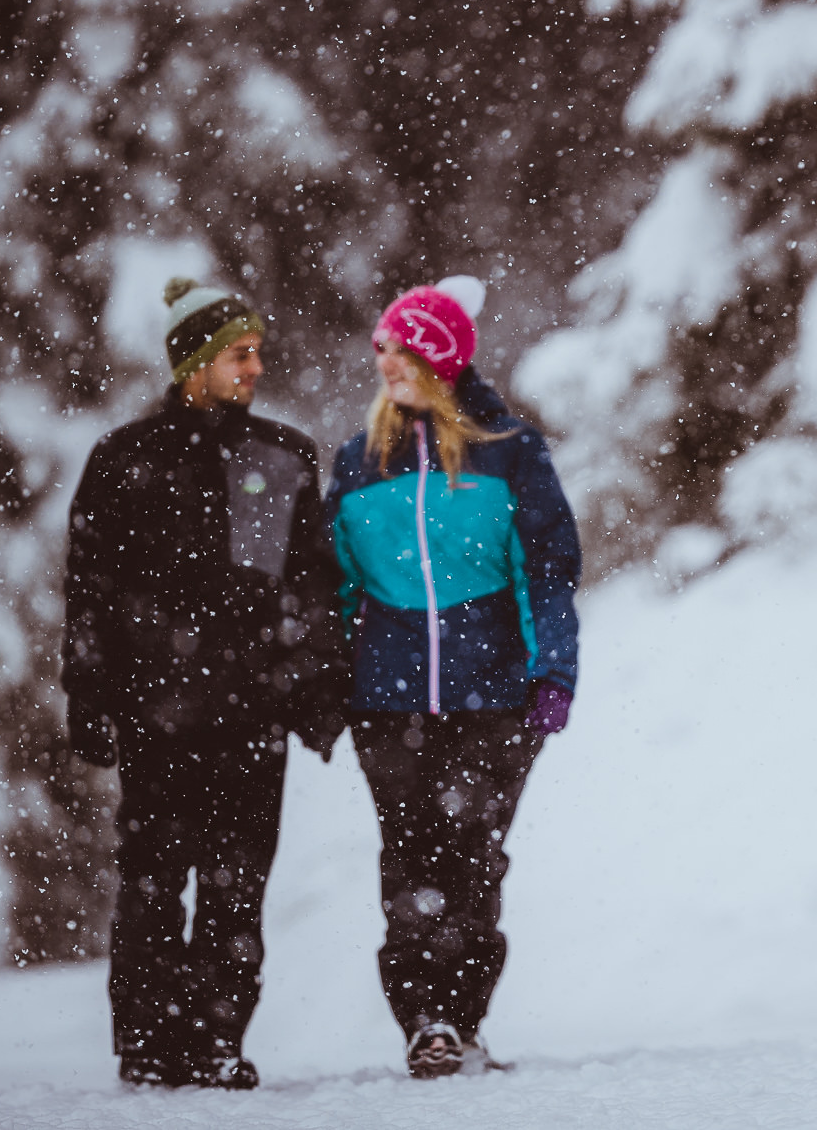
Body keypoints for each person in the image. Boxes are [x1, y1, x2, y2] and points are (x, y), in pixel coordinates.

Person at [61, 277, 349, 1090]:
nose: (256, 366)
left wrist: (314, 687)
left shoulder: (286, 457)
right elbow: (89, 589)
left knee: (237, 886)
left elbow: (313, 585)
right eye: (239, 354)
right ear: (194, 364)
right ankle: (150, 1046)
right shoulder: (122, 460)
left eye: (257, 352)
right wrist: (88, 693)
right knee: (154, 880)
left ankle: (218, 1039)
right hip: (157, 716)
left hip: (251, 716)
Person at [325, 275, 580, 1079]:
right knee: (410, 858)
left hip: (494, 693)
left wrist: (554, 671)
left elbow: (549, 570)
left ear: (439, 358)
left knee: (474, 858)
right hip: (388, 697)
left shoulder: (510, 453)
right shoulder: (361, 460)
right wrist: (325, 676)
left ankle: (463, 1018)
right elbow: (333, 581)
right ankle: (425, 1019)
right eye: (382, 350)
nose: (386, 364)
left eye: (400, 350)